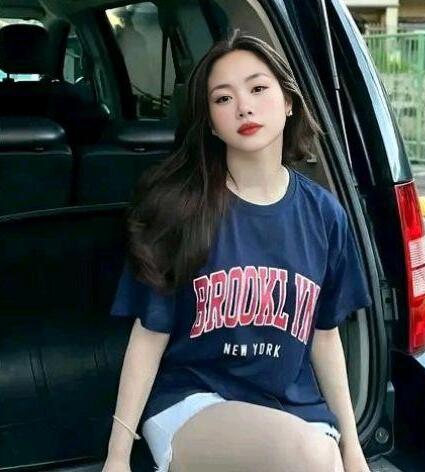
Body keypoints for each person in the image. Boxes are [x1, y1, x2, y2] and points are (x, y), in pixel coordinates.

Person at [102, 28, 373, 472]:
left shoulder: (325, 215)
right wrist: (117, 456)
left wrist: (354, 449)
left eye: (258, 89)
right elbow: (149, 335)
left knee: (320, 454)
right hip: (193, 402)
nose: (244, 106)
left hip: (293, 410)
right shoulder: (180, 209)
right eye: (223, 98)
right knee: (310, 457)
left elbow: (325, 336)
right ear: (211, 122)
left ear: (289, 101)